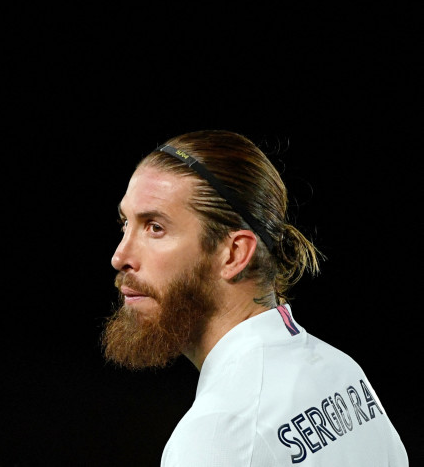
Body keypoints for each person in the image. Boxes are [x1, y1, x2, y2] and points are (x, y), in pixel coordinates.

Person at [101, 129, 408, 466]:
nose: (120, 256)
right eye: (125, 224)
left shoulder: (218, 432)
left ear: (233, 254)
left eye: (155, 227)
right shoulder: (344, 373)